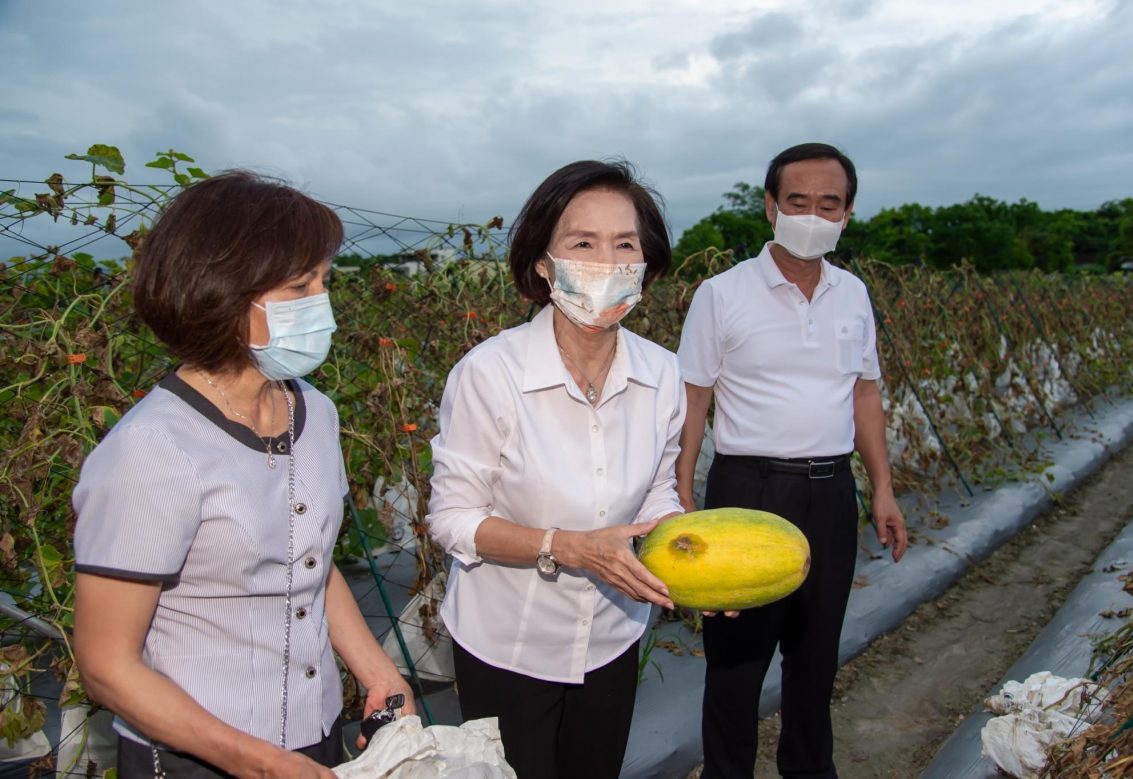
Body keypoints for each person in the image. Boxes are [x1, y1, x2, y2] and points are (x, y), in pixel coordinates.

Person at [72, 171, 415, 778]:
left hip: (313, 734)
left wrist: (379, 674)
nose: (321, 304)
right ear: (222, 293)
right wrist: (254, 762)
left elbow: (311, 562)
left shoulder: (315, 413)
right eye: (298, 285)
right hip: (199, 755)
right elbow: (106, 664)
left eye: (323, 282)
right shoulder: (152, 450)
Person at [426, 160, 684, 778]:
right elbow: (453, 519)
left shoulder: (663, 374)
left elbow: (659, 491)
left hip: (612, 636)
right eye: (582, 243)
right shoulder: (492, 374)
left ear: (645, 260)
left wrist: (699, 561)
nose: (606, 260)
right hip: (507, 645)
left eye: (625, 243)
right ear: (544, 262)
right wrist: (565, 547)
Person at [675, 142, 908, 779]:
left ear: (847, 213)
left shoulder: (853, 294)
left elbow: (865, 392)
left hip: (832, 491)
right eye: (797, 201)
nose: (812, 214)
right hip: (748, 491)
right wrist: (681, 499)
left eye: (827, 204)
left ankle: (809, 769)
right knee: (736, 663)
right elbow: (693, 401)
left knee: (815, 656)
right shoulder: (722, 295)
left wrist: (881, 488)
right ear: (771, 207)